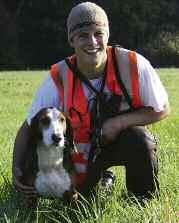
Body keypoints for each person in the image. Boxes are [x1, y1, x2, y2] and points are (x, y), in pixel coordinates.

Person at [12, 2, 170, 201]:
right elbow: (29, 126)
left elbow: (162, 108)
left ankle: (142, 199)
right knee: (81, 203)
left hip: (119, 140)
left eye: (98, 33)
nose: (92, 41)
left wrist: (119, 123)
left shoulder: (133, 63)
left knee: (140, 140)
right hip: (79, 152)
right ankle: (103, 181)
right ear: (72, 40)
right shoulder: (59, 75)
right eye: (83, 35)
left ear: (107, 35)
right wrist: (16, 170)